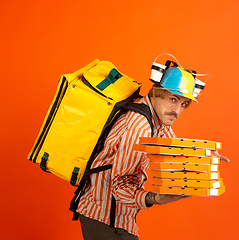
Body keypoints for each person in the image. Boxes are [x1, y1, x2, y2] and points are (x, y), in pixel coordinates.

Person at [76, 55, 229, 240]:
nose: (178, 110)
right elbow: (120, 183)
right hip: (104, 218)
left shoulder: (158, 119)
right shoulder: (139, 125)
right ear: (157, 93)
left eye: (183, 104)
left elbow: (172, 149)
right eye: (173, 99)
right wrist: (153, 198)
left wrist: (203, 156)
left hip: (117, 217)